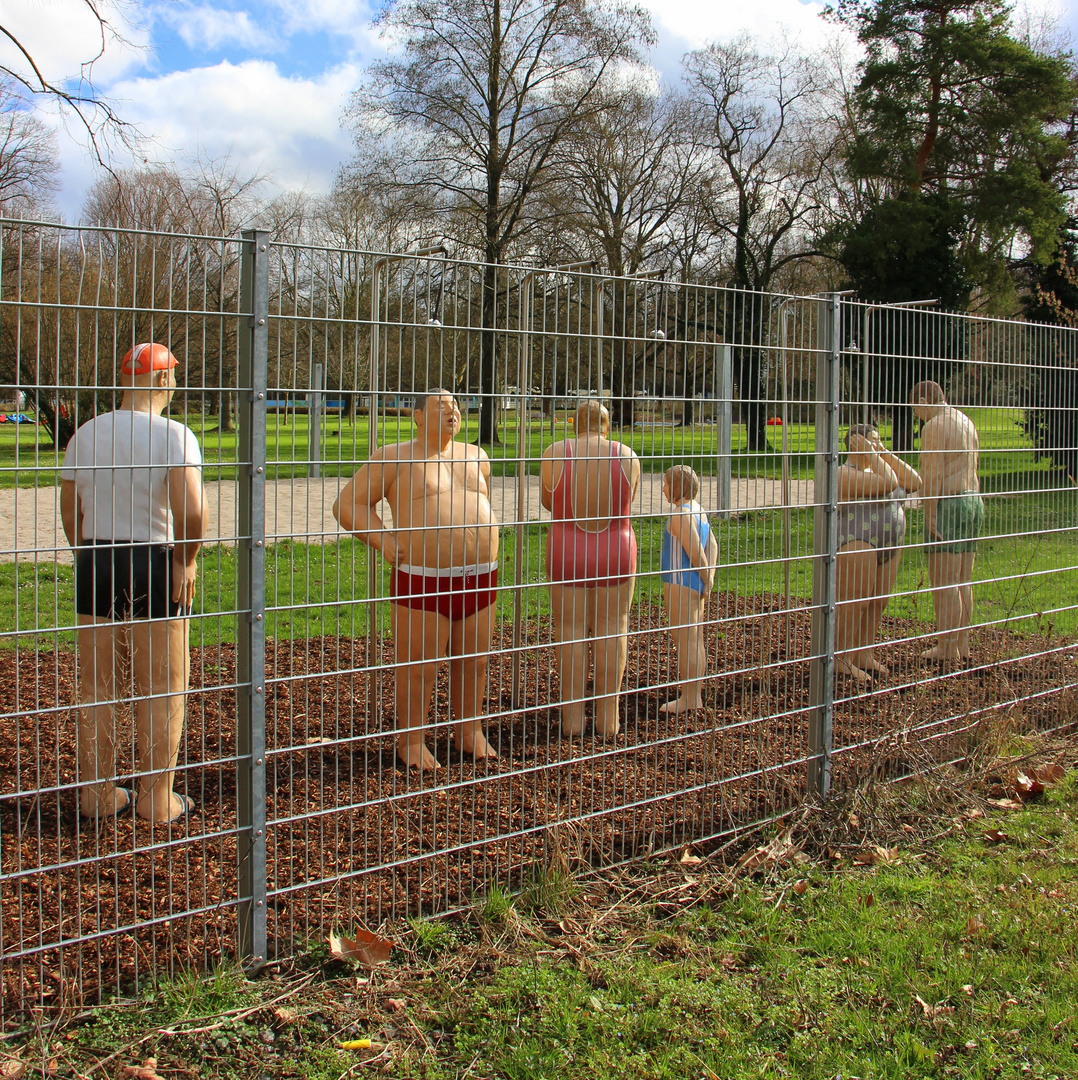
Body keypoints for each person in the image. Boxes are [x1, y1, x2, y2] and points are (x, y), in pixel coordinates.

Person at [59, 342, 205, 823]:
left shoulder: (86, 433)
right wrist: (185, 562)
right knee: (163, 684)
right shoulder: (174, 435)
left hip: (97, 558)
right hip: (156, 561)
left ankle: (96, 795)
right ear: (163, 380)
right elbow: (190, 513)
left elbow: (70, 511)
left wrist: (87, 554)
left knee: (97, 686)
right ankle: (157, 800)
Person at [333, 390, 500, 771]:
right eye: (442, 408)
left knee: (473, 662)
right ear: (418, 416)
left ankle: (469, 730)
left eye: (456, 407)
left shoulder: (477, 456)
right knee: (419, 666)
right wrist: (382, 539)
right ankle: (410, 740)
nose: (453, 413)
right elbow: (347, 504)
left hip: (480, 579)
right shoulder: (393, 457)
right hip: (423, 580)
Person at [540, 398, 641, 737]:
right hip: (616, 549)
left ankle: (572, 721)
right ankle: (608, 719)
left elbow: (547, 500)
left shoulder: (555, 452)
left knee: (569, 630)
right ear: (606, 425)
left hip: (567, 549)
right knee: (614, 627)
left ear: (574, 423)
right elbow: (629, 499)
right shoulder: (626, 455)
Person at [834, 425, 922, 683]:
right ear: (855, 443)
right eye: (872, 442)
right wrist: (873, 456)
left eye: (879, 441)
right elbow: (889, 484)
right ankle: (841, 657)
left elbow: (914, 482)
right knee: (855, 603)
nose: (877, 446)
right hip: (857, 541)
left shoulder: (880, 465)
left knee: (878, 601)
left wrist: (882, 454)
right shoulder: (842, 473)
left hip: (888, 544)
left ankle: (864, 654)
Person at [911, 380, 984, 662]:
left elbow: (932, 474)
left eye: (914, 407)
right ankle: (962, 644)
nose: (915, 414)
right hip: (972, 501)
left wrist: (928, 511)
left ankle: (947, 647)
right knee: (963, 579)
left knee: (943, 581)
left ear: (922, 400)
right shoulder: (965, 420)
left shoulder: (935, 427)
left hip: (949, 504)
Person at [659, 465, 718, 713]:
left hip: (680, 583)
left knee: (686, 641)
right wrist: (708, 577)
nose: (663, 488)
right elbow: (712, 545)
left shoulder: (680, 515)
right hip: (695, 584)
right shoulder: (699, 511)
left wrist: (707, 578)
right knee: (695, 640)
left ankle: (690, 698)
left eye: (665, 483)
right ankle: (694, 695)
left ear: (676, 487)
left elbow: (694, 550)